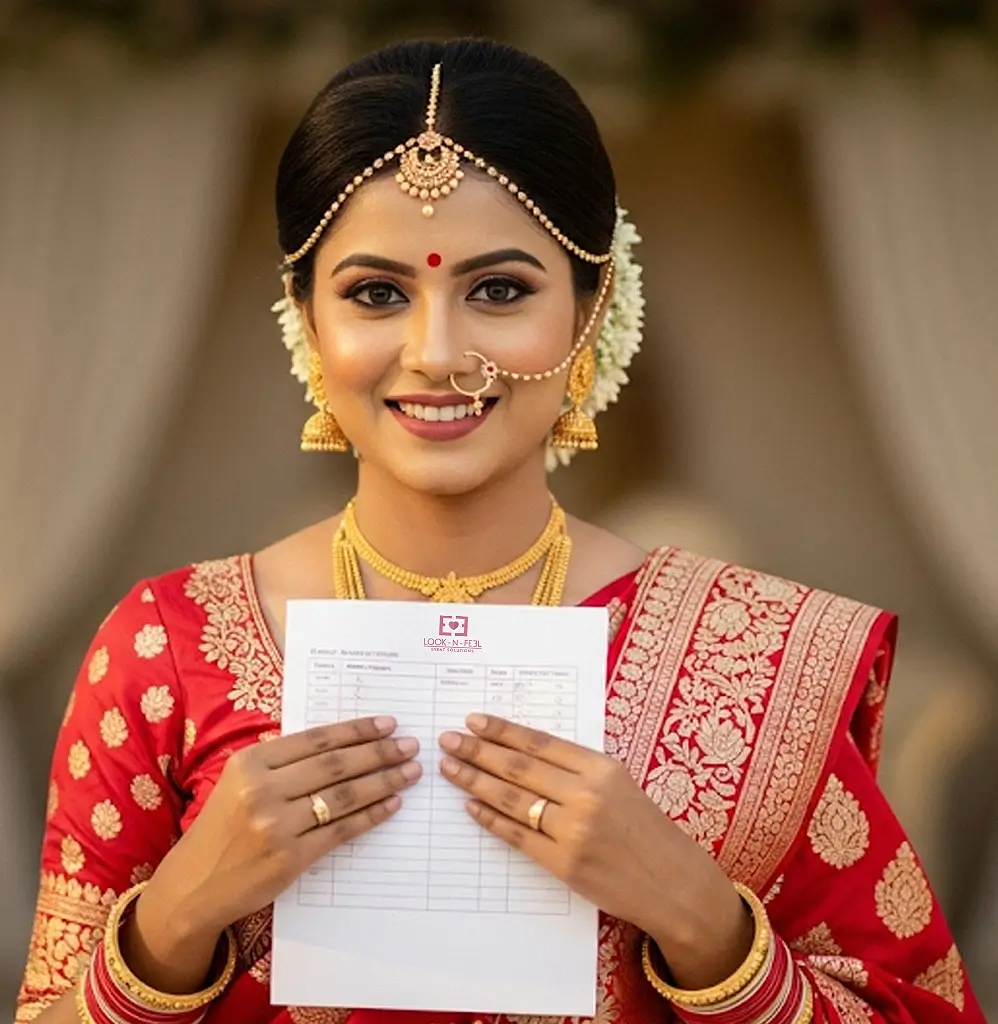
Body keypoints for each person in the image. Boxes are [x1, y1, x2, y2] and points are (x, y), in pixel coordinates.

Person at [16, 37, 984, 1024]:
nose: (436, 352)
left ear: (590, 312)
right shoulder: (165, 652)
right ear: (306, 319)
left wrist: (703, 924)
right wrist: (175, 918)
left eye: (499, 290)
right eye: (376, 293)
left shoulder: (749, 658)